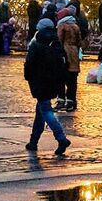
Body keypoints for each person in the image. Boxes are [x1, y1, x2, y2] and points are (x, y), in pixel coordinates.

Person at [22, 18, 72, 156]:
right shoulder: (56, 43)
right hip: (54, 82)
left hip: (40, 82)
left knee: (45, 110)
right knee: (41, 111)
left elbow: (30, 63)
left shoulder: (36, 43)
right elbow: (65, 62)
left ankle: (61, 138)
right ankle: (33, 142)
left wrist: (28, 76)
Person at [56, 7, 83, 109]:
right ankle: (72, 101)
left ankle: (61, 100)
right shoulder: (75, 26)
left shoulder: (62, 26)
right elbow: (80, 42)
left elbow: (59, 40)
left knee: (61, 78)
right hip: (74, 53)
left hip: (64, 53)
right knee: (72, 79)